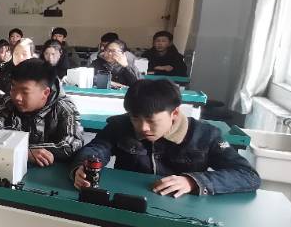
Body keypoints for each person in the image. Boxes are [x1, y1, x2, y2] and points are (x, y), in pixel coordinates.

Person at [71, 79, 260, 196]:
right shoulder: (121, 125)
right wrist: (82, 167)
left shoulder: (205, 135)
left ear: (174, 113)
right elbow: (96, 149)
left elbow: (248, 176)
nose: (143, 128)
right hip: (127, 203)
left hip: (181, 211)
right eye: (135, 118)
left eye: (151, 120)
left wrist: (194, 181)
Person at [0, 59, 84, 165]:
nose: (17, 97)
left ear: (45, 93)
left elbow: (72, 144)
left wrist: (22, 150)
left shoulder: (64, 108)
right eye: (13, 88)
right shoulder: (8, 102)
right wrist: (23, 152)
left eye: (25, 92)